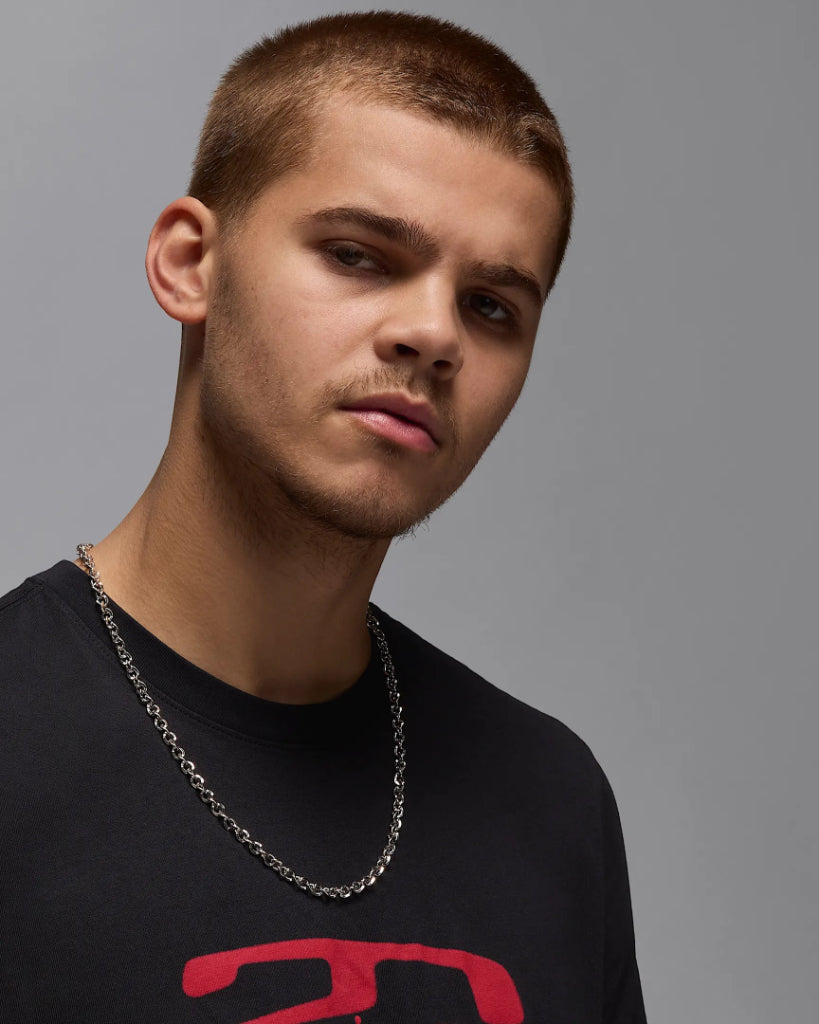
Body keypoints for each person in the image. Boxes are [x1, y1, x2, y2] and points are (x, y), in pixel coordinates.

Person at [0, 11, 646, 1022]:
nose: (433, 333)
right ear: (190, 263)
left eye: (491, 307)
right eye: (358, 254)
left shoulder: (551, 800)